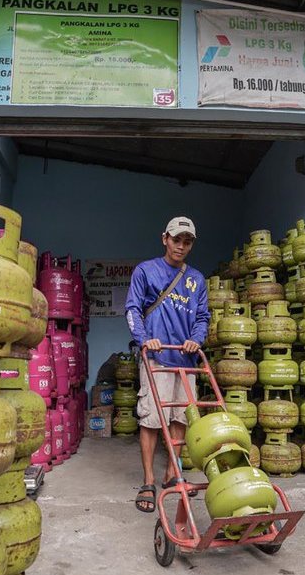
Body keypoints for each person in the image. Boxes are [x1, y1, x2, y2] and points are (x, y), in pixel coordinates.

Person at [124, 216, 210, 513]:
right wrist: (144, 339)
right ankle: (148, 480)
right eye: (176, 240)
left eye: (187, 242)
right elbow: (133, 309)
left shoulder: (196, 279)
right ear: (165, 239)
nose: (181, 246)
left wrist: (196, 339)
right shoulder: (146, 271)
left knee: (181, 418)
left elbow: (202, 317)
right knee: (151, 419)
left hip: (185, 360)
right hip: (156, 359)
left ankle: (172, 473)